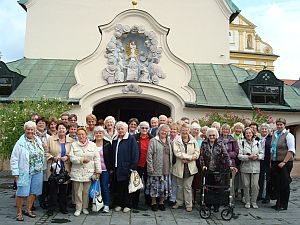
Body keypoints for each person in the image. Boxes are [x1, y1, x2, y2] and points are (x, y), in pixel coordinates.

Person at [10, 121, 44, 221]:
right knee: (21, 192)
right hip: (25, 171)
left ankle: (28, 210)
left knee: (34, 192)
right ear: (25, 130)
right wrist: (15, 172)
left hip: (37, 171)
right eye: (28, 129)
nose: (30, 131)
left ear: (35, 130)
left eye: (32, 129)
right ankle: (19, 213)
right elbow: (14, 158)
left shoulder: (37, 140)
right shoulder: (20, 143)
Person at [199, 127, 234, 212]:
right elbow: (201, 156)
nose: (211, 137)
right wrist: (203, 165)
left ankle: (216, 206)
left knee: (217, 189)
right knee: (208, 188)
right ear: (207, 136)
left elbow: (226, 155)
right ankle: (208, 204)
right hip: (208, 170)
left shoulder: (220, 143)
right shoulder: (204, 143)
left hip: (218, 170)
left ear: (216, 135)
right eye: (210, 135)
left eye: (213, 135)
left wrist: (229, 165)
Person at [69, 127, 101, 216]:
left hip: (89, 172)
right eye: (79, 134)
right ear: (77, 135)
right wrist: (81, 159)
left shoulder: (92, 145)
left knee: (86, 192)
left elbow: (97, 159)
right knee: (77, 191)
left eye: (83, 134)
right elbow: (71, 157)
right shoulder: (73, 145)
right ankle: (78, 208)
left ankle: (85, 207)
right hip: (77, 172)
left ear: (86, 135)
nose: (81, 136)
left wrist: (98, 171)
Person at [45, 122, 73, 216]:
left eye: (63, 128)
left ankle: (63, 207)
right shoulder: (50, 140)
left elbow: (73, 153)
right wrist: (53, 157)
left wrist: (68, 157)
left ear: (66, 130)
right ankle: (51, 208)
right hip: (54, 168)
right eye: (60, 128)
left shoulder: (71, 140)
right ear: (57, 129)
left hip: (65, 169)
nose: (61, 130)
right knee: (52, 190)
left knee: (63, 190)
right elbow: (45, 153)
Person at [111, 121, 139, 213]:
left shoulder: (131, 139)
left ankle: (127, 204)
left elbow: (135, 154)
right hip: (116, 167)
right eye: (118, 129)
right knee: (119, 187)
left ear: (126, 129)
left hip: (126, 167)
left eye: (122, 128)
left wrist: (132, 167)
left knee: (127, 187)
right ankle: (119, 204)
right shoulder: (115, 138)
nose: (120, 130)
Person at [172, 123, 200, 212]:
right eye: (183, 130)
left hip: (190, 167)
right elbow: (177, 152)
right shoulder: (176, 141)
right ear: (180, 131)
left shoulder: (194, 141)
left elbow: (197, 153)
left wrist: (189, 158)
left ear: (189, 131)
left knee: (187, 187)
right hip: (179, 166)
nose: (185, 132)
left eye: (186, 130)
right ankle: (179, 202)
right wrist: (187, 157)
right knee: (179, 186)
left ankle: (188, 204)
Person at [270, 118, 295, 211]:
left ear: (284, 125)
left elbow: (291, 150)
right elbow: (272, 149)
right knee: (277, 183)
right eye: (278, 124)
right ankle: (278, 203)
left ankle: (283, 205)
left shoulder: (289, 135)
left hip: (285, 162)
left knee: (284, 183)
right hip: (275, 162)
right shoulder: (275, 134)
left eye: (281, 124)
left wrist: (284, 161)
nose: (279, 126)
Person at [146, 124, 173, 211]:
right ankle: (153, 203)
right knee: (154, 186)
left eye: (166, 131)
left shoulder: (169, 141)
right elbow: (149, 155)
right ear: (159, 131)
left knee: (164, 187)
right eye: (162, 130)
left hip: (166, 168)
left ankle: (161, 202)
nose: (164, 132)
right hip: (156, 168)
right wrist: (150, 167)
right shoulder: (153, 140)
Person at [238, 127, 264, 209]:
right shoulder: (241, 143)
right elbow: (239, 155)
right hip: (245, 167)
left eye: (250, 133)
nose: (248, 134)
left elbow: (262, 154)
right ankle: (247, 201)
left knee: (255, 185)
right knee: (246, 185)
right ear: (244, 135)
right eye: (247, 133)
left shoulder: (258, 143)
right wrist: (248, 157)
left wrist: (257, 156)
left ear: (253, 134)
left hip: (256, 168)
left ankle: (254, 201)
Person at [132, 121, 153, 210]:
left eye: (146, 128)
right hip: (138, 165)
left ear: (148, 129)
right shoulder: (134, 137)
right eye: (143, 128)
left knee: (148, 184)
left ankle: (148, 202)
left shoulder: (152, 138)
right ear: (139, 128)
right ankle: (135, 203)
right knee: (136, 184)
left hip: (148, 164)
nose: (144, 129)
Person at [94, 126, 112, 213]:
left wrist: (111, 169)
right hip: (94, 170)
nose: (98, 134)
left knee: (104, 187)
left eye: (100, 133)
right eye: (97, 133)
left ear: (103, 134)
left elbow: (111, 157)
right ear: (94, 134)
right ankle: (96, 204)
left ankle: (106, 205)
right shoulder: (91, 143)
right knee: (95, 188)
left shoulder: (107, 143)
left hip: (105, 169)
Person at [35, 117, 50, 210]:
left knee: (44, 184)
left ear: (45, 125)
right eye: (39, 123)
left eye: (43, 123)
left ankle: (42, 201)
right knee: (35, 183)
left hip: (45, 163)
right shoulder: (33, 135)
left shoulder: (49, 137)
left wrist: (46, 147)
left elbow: (50, 149)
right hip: (35, 163)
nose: (41, 124)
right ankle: (31, 203)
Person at [258, 123, 272, 203]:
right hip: (260, 161)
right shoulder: (258, 138)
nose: (264, 130)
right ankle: (260, 195)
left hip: (268, 161)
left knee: (268, 179)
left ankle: (267, 196)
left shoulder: (271, 138)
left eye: (265, 129)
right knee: (260, 178)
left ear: (268, 130)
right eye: (262, 129)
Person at [168, 123, 180, 206]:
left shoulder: (179, 140)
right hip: (168, 162)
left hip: (176, 163)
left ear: (177, 131)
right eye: (171, 129)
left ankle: (173, 198)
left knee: (174, 181)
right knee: (167, 180)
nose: (172, 131)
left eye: (174, 130)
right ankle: (167, 196)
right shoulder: (167, 139)